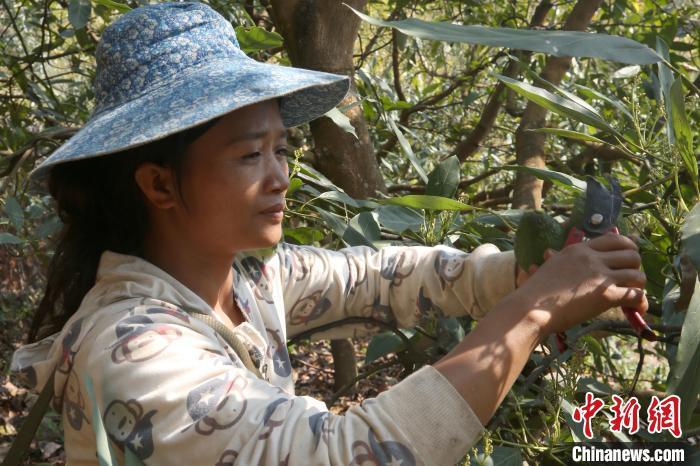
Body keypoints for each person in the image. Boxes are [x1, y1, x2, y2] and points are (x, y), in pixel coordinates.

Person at [11, 3, 648, 465]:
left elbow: (383, 277)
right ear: (159, 186)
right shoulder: (134, 353)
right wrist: (533, 308)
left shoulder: (245, 281)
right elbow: (346, 455)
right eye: (248, 155)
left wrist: (534, 270)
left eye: (281, 149)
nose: (280, 176)